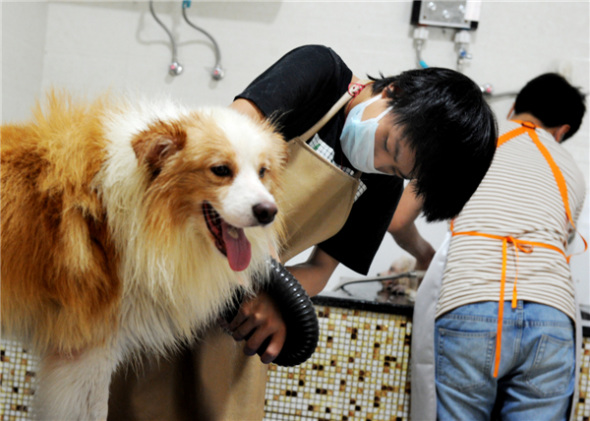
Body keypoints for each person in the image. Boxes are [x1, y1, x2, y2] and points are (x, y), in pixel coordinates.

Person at [108, 44, 497, 420]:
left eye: (396, 170)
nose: (379, 163)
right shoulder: (320, 74)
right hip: (172, 286)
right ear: (393, 91)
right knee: (142, 403)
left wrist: (275, 297)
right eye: (388, 145)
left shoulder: (379, 188)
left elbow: (320, 271)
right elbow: (227, 138)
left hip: (235, 318)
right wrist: (254, 271)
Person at [409, 72, 587, 421]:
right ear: (563, 131)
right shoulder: (574, 173)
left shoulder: (472, 137)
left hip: (472, 303)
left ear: (514, 108)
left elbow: (398, 220)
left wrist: (424, 255)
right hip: (552, 317)